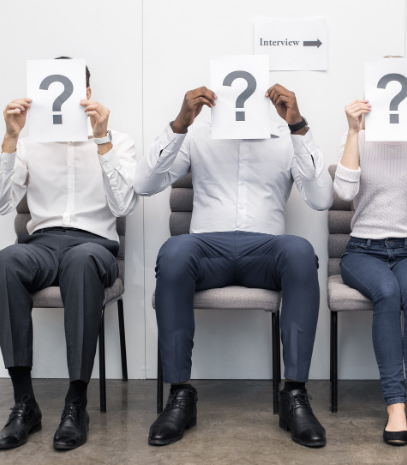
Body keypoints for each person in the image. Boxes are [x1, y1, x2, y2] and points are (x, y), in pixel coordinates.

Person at [134, 84, 333, 448]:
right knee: (174, 252)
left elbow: (321, 198)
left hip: (265, 249)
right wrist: (180, 124)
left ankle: (295, 396)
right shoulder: (198, 136)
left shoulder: (285, 138)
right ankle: (180, 394)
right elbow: (143, 184)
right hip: (208, 248)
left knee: (301, 252)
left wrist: (298, 125)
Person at [0, 58, 138, 451]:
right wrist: (10, 139)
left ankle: (76, 402)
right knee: (4, 260)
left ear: (85, 94)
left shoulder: (117, 140)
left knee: (81, 260)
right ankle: (25, 404)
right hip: (42, 244)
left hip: (95, 246)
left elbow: (123, 207)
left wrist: (101, 139)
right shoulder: (29, 143)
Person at [333, 95, 407, 446]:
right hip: (363, 250)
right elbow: (343, 190)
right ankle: (395, 405)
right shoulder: (360, 140)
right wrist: (353, 131)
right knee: (388, 292)